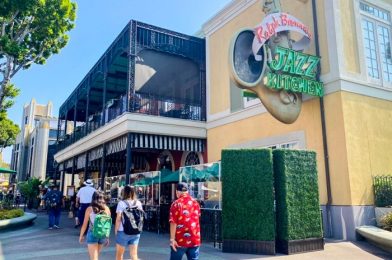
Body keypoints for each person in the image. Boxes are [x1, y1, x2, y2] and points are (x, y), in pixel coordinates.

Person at [169, 182, 201, 260]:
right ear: (187, 191)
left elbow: (173, 222)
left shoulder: (176, 204)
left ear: (177, 191)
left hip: (180, 240)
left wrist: (172, 239)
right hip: (194, 239)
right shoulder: (195, 203)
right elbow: (198, 217)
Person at [79, 191, 111, 260]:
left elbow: (84, 224)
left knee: (93, 258)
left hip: (92, 232)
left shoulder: (90, 209)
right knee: (95, 256)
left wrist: (81, 236)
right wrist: (107, 237)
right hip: (102, 234)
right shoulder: (107, 209)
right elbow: (108, 224)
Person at [115, 185, 143, 260]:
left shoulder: (121, 203)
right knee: (134, 255)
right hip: (136, 231)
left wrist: (116, 230)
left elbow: (118, 219)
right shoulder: (138, 203)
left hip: (123, 231)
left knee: (119, 256)